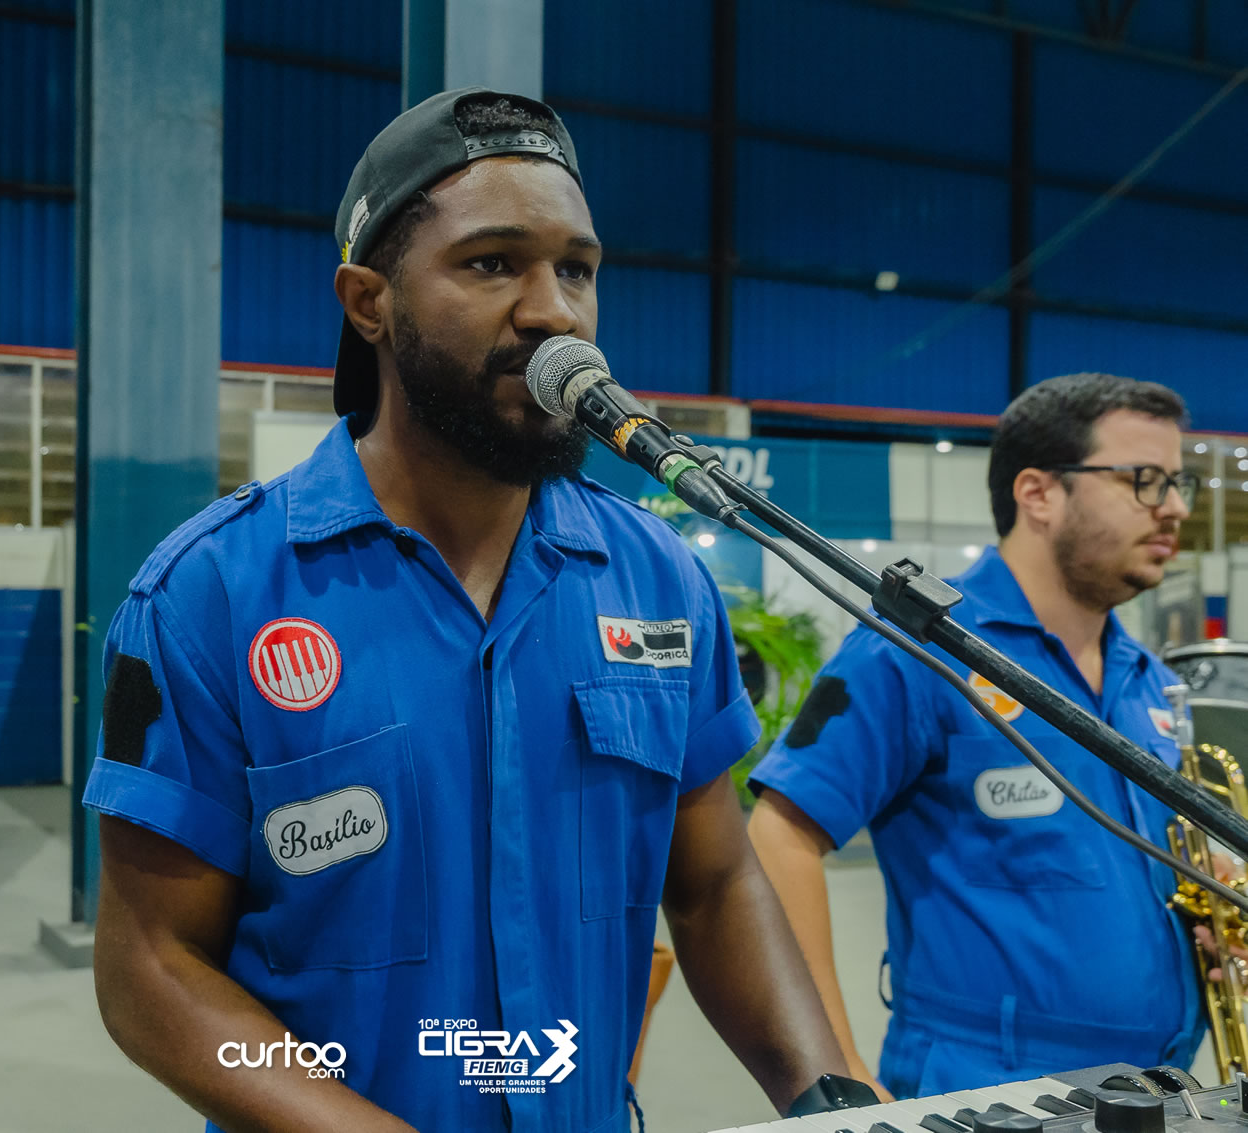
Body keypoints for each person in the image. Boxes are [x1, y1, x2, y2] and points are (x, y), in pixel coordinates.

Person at [83, 87, 850, 1132]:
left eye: (575, 269)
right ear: (369, 302)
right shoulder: (210, 594)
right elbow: (151, 966)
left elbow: (717, 885)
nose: (553, 313)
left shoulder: (657, 579)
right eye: (492, 264)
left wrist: (827, 1093)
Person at [748, 374, 1208, 1099]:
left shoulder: (1147, 681)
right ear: (1039, 494)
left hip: (1161, 1091)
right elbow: (779, 838)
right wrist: (837, 1077)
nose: (1175, 507)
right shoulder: (924, 650)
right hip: (986, 1097)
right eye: (1145, 481)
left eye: (1179, 483)